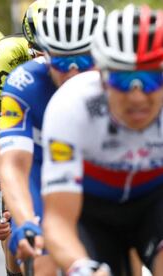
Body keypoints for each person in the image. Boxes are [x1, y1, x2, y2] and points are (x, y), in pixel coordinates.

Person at [41, 4, 163, 275]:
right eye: (123, 79)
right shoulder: (71, 104)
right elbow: (58, 219)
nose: (137, 96)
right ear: (103, 76)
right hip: (92, 210)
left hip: (154, 202)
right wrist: (80, 267)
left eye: (151, 79)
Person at [0, 0, 104, 272]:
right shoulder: (24, 83)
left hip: (99, 174)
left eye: (83, 60)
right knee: (43, 255)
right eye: (61, 60)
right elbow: (13, 165)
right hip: (42, 172)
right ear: (44, 54)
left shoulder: (117, 83)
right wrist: (26, 222)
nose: (71, 72)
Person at [0, 1, 51, 275]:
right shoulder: (7, 54)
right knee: (8, 219)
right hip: (8, 117)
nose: (45, 63)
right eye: (38, 53)